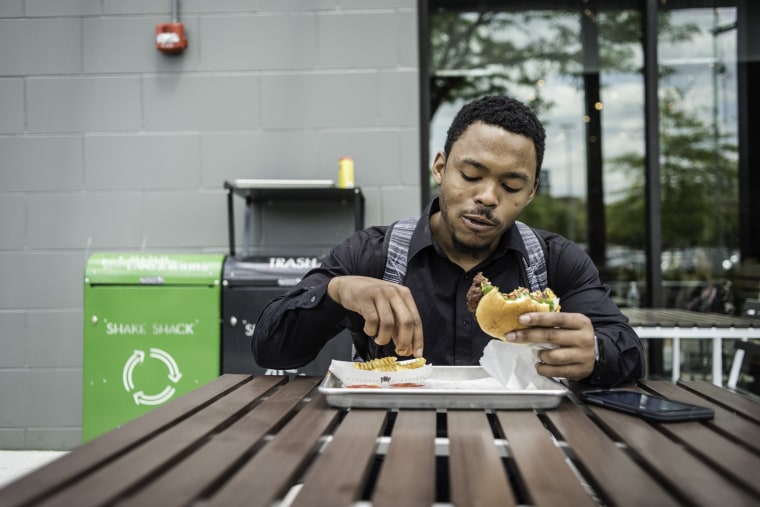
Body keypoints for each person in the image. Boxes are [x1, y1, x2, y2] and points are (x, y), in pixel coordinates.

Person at [252, 95, 644, 386]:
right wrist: (336, 292)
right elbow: (270, 347)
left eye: (510, 185)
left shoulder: (556, 262)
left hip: (521, 449)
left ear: (530, 193)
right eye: (472, 175)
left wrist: (596, 352)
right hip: (394, 445)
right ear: (441, 168)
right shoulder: (373, 254)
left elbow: (627, 350)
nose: (488, 197)